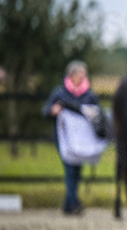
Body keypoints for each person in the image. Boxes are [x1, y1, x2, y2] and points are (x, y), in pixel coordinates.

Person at [42, 60, 100, 215]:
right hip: (64, 140)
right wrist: (52, 111)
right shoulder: (60, 93)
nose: (83, 76)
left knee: (77, 171)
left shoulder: (89, 95)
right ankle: (74, 202)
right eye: (80, 73)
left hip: (82, 141)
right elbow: (46, 110)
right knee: (70, 170)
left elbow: (97, 113)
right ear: (72, 75)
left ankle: (69, 205)